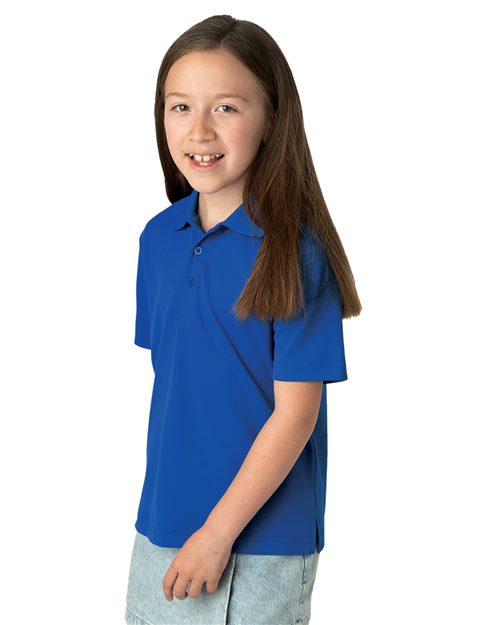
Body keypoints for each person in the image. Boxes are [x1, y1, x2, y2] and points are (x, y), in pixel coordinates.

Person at [124, 13, 362, 625]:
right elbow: (180, 388)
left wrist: (217, 533)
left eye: (226, 107)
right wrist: (187, 528)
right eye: (180, 107)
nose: (199, 130)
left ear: (272, 119)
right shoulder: (159, 239)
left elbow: (295, 415)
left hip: (261, 542)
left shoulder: (297, 253)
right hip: (163, 527)